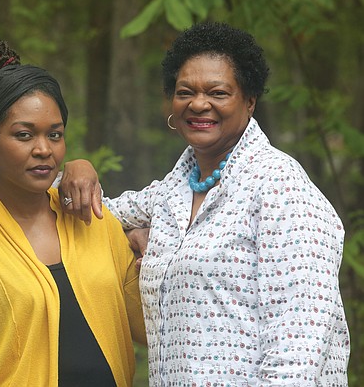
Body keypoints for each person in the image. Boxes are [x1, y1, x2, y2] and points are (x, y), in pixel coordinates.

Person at [60, 22, 350, 385]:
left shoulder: (278, 186)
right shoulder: (173, 190)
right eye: (185, 92)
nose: (199, 103)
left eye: (218, 92)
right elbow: (92, 210)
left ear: (249, 100)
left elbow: (300, 339)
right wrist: (79, 169)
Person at [0, 36, 146, 386]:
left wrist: (156, 248)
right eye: (24, 135)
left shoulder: (94, 221)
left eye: (55, 135)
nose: (44, 149)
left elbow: (151, 326)